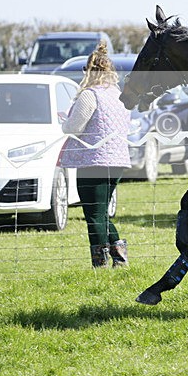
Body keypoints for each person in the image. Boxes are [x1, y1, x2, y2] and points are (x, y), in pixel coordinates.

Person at [60, 43, 132, 268]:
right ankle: (120, 258)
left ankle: (99, 262)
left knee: (93, 214)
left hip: (93, 162)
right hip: (118, 161)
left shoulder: (90, 95)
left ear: (88, 70)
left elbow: (74, 128)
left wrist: (64, 121)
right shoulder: (118, 96)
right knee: (101, 213)